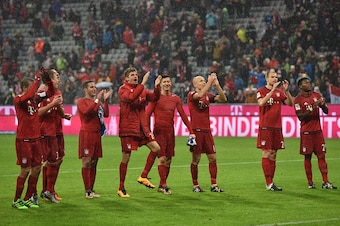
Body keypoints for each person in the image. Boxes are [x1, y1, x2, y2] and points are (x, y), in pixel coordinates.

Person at [138, 75, 196, 195]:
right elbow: (147, 114)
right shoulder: (156, 98)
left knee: (168, 160)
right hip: (159, 131)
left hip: (170, 132)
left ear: (171, 83)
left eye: (168, 81)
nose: (167, 84)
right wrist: (147, 131)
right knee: (162, 158)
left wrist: (191, 131)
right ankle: (163, 185)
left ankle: (161, 184)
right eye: (164, 82)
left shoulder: (176, 99)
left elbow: (183, 116)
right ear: (160, 84)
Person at [12, 69, 54, 209]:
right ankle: (16, 200)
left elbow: (50, 93)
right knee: (25, 170)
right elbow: (29, 95)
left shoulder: (34, 100)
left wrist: (47, 80)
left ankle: (27, 198)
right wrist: (37, 79)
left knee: (36, 169)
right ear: (24, 88)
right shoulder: (19, 100)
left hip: (36, 140)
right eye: (32, 88)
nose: (35, 91)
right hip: (24, 140)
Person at [117, 67, 161, 198]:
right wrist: (142, 83)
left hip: (142, 128)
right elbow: (131, 98)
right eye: (132, 75)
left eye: (136, 74)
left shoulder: (142, 90)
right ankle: (121, 188)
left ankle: (143, 176)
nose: (135, 76)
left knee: (156, 148)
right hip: (128, 128)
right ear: (127, 78)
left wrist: (157, 87)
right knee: (126, 157)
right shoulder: (122, 89)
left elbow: (154, 98)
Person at [294, 76, 337, 189]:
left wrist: (322, 105)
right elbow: (300, 117)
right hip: (306, 133)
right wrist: (312, 108)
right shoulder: (297, 100)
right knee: (307, 157)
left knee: (322, 156)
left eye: (309, 82)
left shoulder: (316, 96)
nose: (309, 84)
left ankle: (325, 182)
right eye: (306, 83)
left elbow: (326, 111)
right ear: (300, 86)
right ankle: (310, 182)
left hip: (318, 132)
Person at [188, 73, 227, 192]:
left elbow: (223, 99)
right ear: (195, 84)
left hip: (207, 131)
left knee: (213, 158)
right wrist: (210, 81)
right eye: (201, 81)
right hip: (196, 131)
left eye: (204, 80)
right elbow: (199, 94)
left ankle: (214, 185)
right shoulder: (191, 94)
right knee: (196, 159)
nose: (203, 82)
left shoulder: (208, 96)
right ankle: (195, 185)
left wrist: (217, 86)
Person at [256, 69, 294, 191]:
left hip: (277, 127)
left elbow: (290, 103)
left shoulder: (279, 92)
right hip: (265, 126)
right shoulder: (261, 91)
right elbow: (261, 103)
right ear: (267, 79)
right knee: (266, 153)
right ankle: (268, 183)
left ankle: (271, 183)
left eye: (276, 77)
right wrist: (272, 91)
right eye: (272, 77)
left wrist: (286, 91)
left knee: (273, 155)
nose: (275, 79)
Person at [39, 69, 71, 203]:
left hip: (57, 130)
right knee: (50, 161)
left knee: (58, 159)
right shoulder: (41, 92)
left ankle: (48, 190)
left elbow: (57, 108)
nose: (59, 79)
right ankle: (47, 190)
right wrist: (53, 104)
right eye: (57, 76)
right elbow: (38, 113)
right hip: (45, 131)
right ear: (50, 80)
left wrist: (63, 115)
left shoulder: (58, 93)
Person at [77, 80, 112, 199]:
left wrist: (106, 100)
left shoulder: (97, 103)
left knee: (94, 162)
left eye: (94, 87)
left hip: (97, 135)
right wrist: (97, 99)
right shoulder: (81, 101)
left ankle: (91, 189)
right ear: (85, 89)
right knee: (86, 161)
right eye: (91, 87)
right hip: (86, 134)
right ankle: (87, 190)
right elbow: (87, 112)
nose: (93, 89)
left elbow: (106, 114)